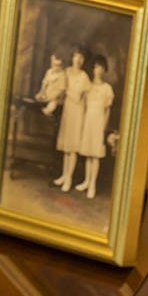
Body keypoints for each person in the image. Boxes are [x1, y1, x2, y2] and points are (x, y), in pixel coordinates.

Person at [50, 51, 89, 192]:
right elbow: (59, 88)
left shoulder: (84, 76)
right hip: (68, 111)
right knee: (66, 146)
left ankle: (69, 179)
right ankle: (64, 175)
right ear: (72, 57)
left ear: (83, 60)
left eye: (81, 57)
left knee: (72, 148)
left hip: (77, 112)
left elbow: (77, 97)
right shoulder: (66, 72)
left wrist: (65, 89)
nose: (78, 60)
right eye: (76, 56)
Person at [77, 57, 114, 201]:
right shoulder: (88, 86)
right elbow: (83, 106)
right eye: (95, 67)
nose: (97, 70)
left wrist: (104, 126)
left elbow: (107, 110)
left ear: (104, 70)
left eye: (100, 67)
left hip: (99, 122)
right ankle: (86, 181)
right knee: (88, 153)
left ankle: (92, 184)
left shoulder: (107, 88)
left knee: (95, 155)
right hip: (88, 121)